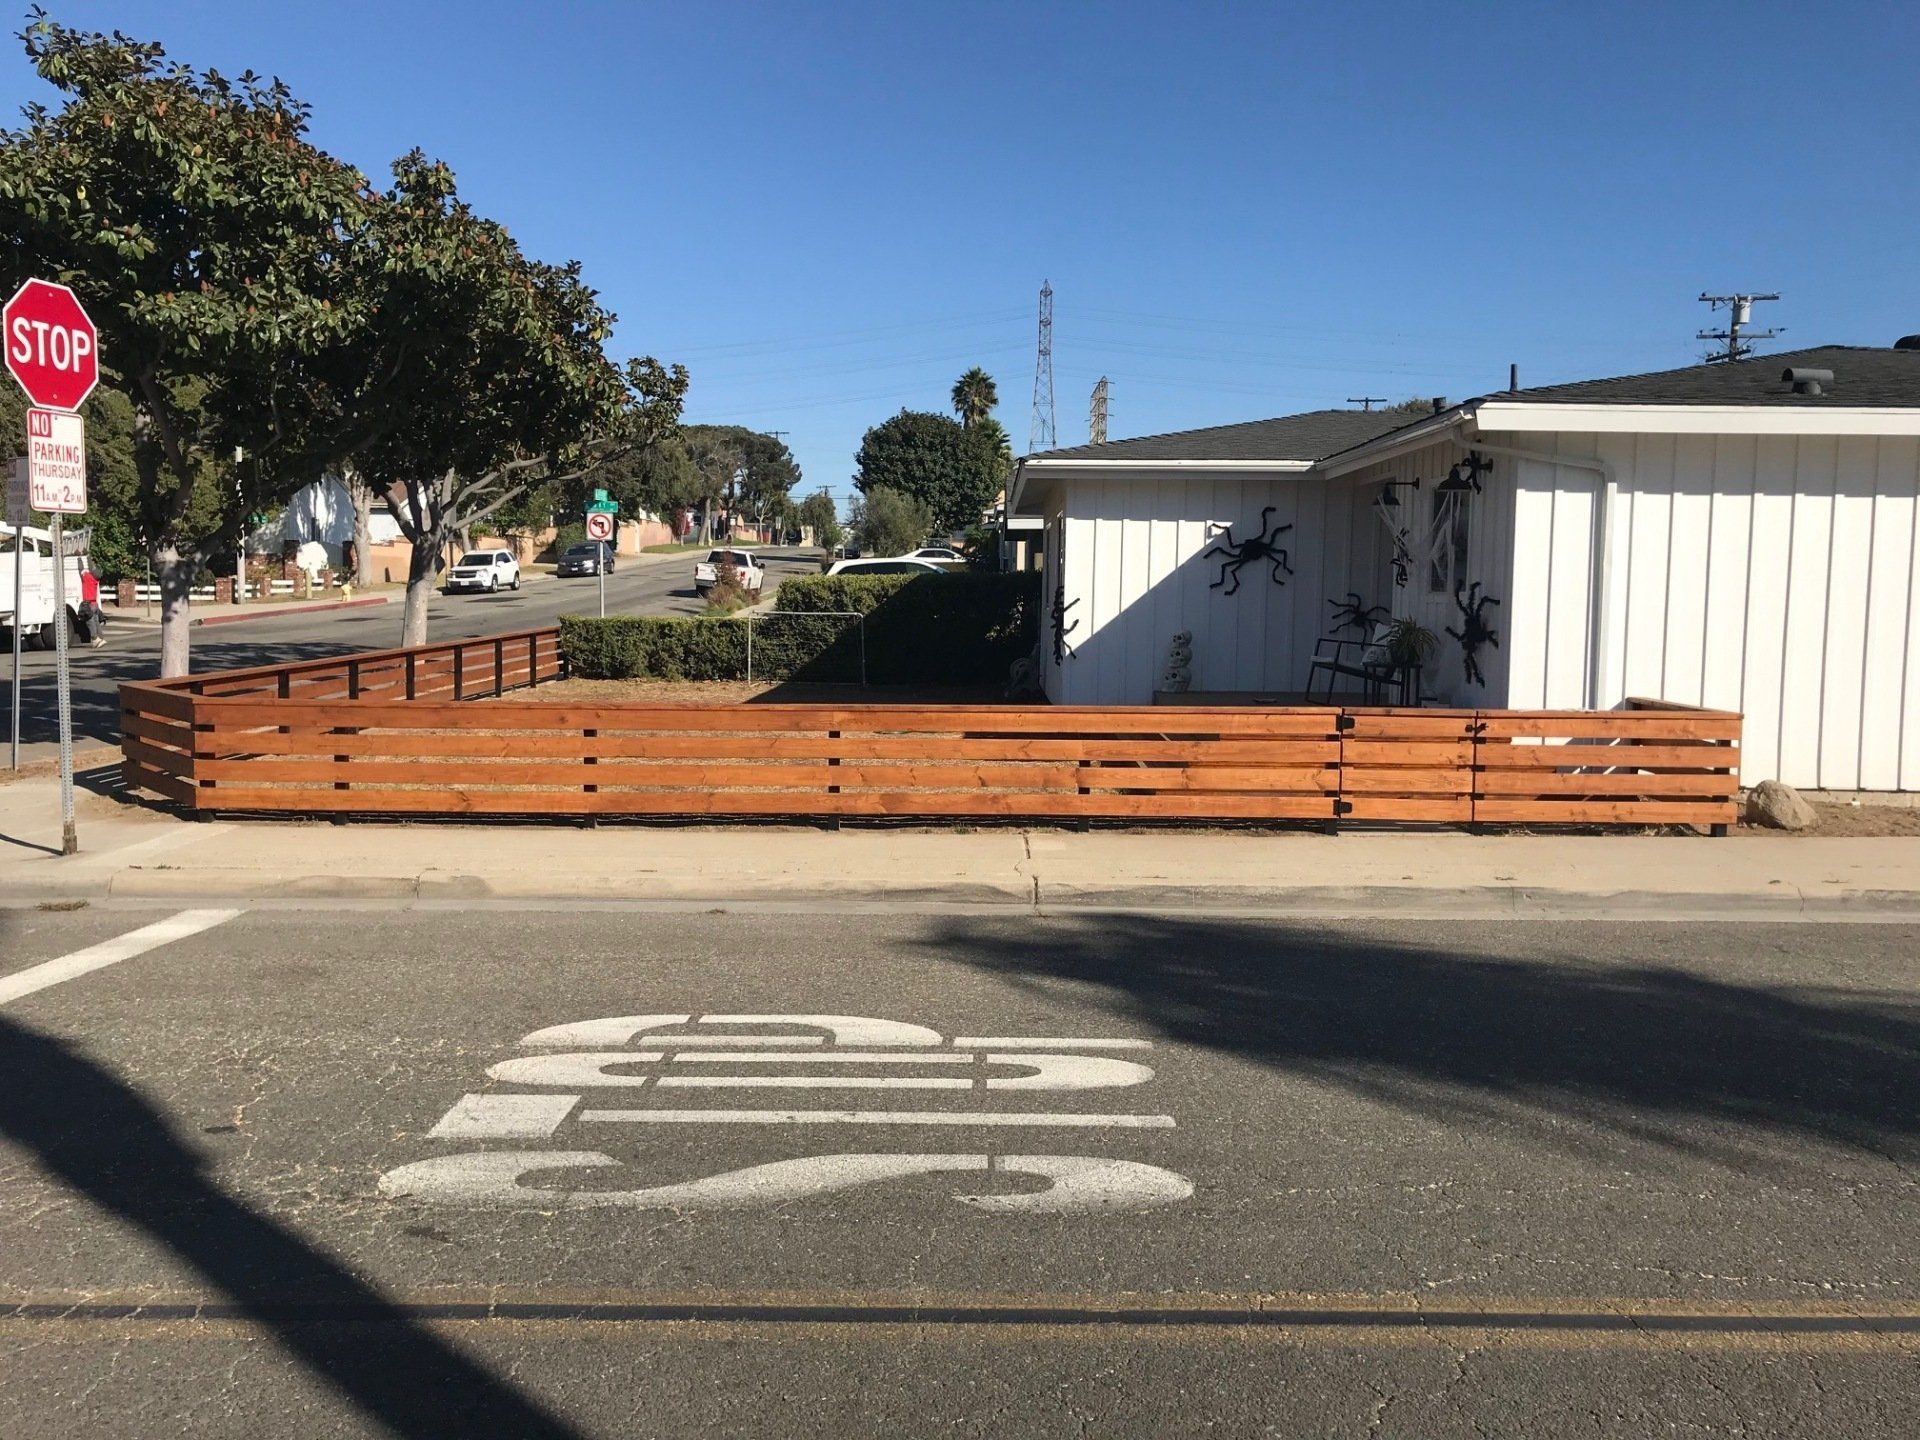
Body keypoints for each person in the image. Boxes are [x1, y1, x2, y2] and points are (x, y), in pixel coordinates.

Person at [76, 563, 106, 648]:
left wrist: (79, 558)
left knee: (90, 622)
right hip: (95, 603)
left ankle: (95, 639)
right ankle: (100, 638)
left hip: (89, 604)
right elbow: (90, 567)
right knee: (96, 622)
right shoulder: (96, 580)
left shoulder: (88, 577)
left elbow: (81, 569)